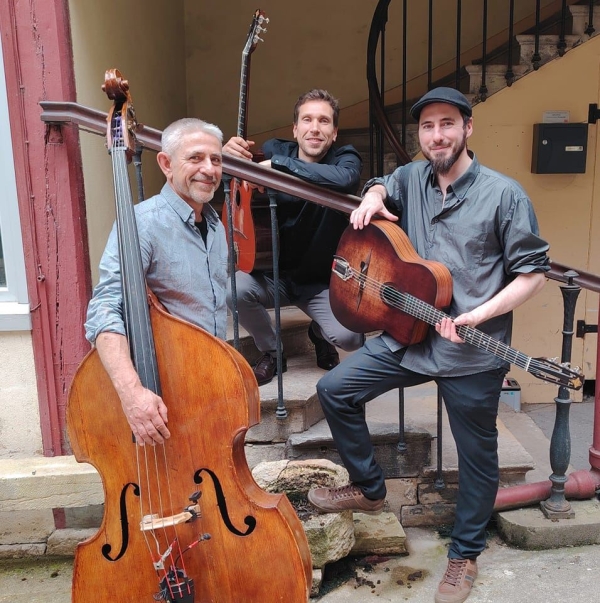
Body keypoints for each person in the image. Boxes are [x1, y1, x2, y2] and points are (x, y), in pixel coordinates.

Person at [307, 87, 550, 603]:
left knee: (477, 459)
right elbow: (381, 182)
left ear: (467, 128)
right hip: (407, 337)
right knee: (335, 389)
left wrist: (476, 316)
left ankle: (463, 556)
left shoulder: (504, 195)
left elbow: (533, 274)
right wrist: (373, 193)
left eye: (446, 124)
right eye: (427, 128)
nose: (436, 136)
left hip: (470, 351)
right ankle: (371, 490)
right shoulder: (409, 178)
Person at [85, 118, 227, 447]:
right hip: (162, 389)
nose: (209, 169)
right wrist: (132, 392)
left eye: (216, 159)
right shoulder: (142, 224)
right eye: (195, 158)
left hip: (209, 386)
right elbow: (105, 307)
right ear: (166, 163)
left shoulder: (216, 225)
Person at [223, 89, 364, 386]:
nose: (315, 128)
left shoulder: (345, 158)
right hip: (274, 275)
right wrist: (228, 159)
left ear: (334, 132)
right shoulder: (275, 149)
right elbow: (229, 184)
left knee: (351, 338)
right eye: (307, 120)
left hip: (320, 281)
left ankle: (318, 333)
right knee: (234, 289)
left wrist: (279, 168)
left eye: (324, 121)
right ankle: (273, 353)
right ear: (295, 129)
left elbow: (344, 180)